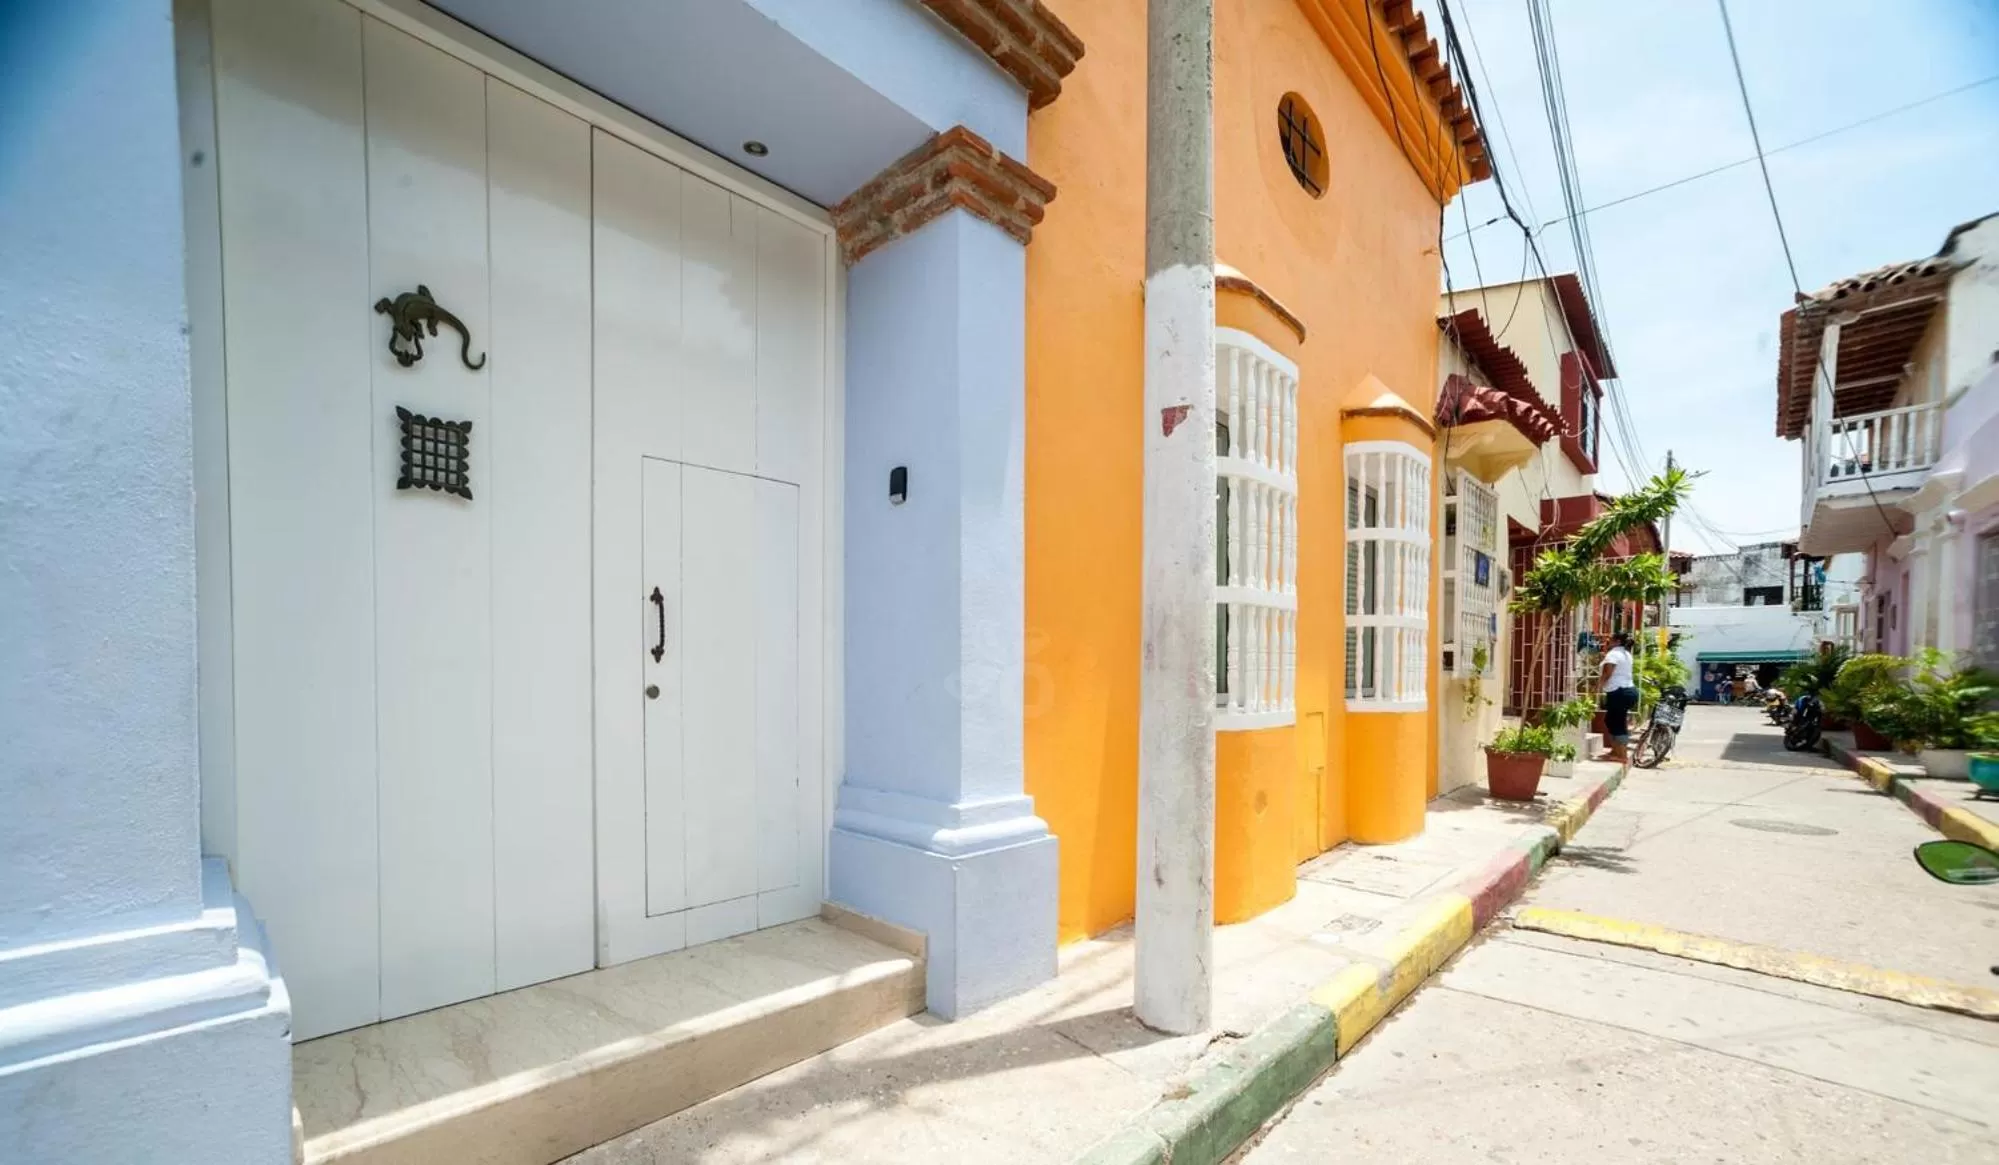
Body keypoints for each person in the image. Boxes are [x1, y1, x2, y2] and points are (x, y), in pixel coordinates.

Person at [1597, 632, 1640, 764]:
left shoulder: (1614, 654)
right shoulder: (1626, 653)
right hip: (1627, 691)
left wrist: (1598, 687)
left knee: (1617, 722)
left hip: (1619, 691)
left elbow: (1608, 673)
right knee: (1611, 720)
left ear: (1617, 641)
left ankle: (1622, 755)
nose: (1608, 641)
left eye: (1611, 639)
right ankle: (1615, 751)